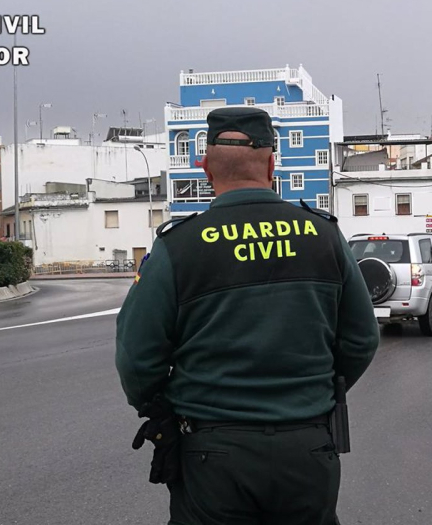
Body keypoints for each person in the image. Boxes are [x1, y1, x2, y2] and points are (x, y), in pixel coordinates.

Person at [115, 107, 380, 525]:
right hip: (306, 446)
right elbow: (362, 339)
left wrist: (158, 405)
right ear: (273, 164)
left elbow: (137, 355)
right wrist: (316, 390)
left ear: (205, 168)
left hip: (212, 454)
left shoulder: (178, 247)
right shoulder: (324, 236)